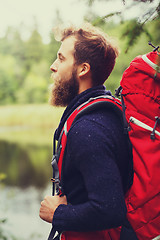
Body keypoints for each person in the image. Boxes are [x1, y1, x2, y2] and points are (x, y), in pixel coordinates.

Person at [39, 23, 133, 240]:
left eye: (61, 58)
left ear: (83, 69)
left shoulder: (89, 129)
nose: (53, 66)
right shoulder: (100, 112)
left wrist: (58, 213)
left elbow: (110, 209)